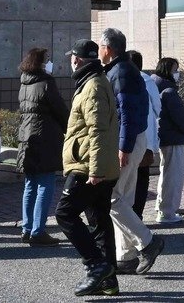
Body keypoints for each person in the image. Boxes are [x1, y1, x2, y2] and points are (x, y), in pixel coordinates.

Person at [56, 38, 120, 297]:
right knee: (98, 220)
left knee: (65, 214)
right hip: (98, 164)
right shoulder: (94, 81)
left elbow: (98, 130)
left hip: (88, 166)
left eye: (72, 57)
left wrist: (94, 169)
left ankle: (96, 266)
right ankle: (109, 281)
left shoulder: (92, 86)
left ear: (78, 60)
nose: (70, 61)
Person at [99, 29, 165, 276]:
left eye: (100, 46)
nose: (98, 51)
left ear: (108, 48)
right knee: (124, 198)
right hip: (135, 140)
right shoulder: (126, 70)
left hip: (127, 143)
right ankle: (125, 257)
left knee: (112, 198)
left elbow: (126, 112)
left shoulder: (121, 73)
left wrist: (122, 147)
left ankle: (148, 242)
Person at [16, 47, 69, 246]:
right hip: (45, 137)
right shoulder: (46, 83)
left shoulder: (24, 83)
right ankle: (38, 231)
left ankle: (27, 228)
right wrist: (68, 128)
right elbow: (59, 109)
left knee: (30, 185)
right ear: (40, 62)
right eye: (46, 60)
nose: (49, 63)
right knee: (45, 185)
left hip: (27, 136)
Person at [152, 58, 184, 225]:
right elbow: (179, 118)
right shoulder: (168, 90)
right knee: (173, 177)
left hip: (162, 136)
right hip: (173, 137)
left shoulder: (154, 85)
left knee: (165, 174)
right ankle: (167, 212)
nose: (178, 73)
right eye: (175, 69)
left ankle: (161, 207)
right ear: (167, 70)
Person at [126, 50, 161, 219]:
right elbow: (158, 107)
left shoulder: (121, 78)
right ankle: (137, 213)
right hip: (146, 137)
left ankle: (130, 213)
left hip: (127, 137)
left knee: (128, 177)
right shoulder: (148, 81)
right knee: (142, 176)